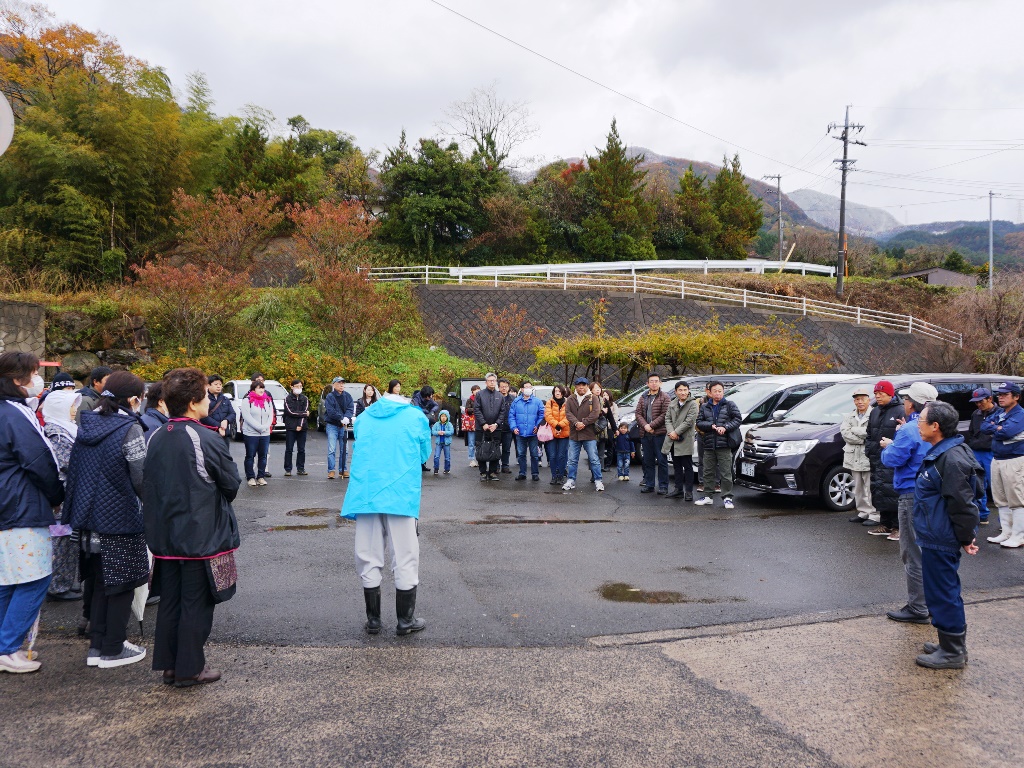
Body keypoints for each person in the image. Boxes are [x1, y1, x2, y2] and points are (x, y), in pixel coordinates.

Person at [144, 367, 241, 687]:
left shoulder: (155, 435)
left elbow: (143, 483)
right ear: (192, 403)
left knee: (171, 602)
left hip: (165, 538)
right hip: (201, 538)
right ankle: (190, 668)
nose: (208, 401)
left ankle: (170, 665)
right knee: (197, 604)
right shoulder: (205, 438)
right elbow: (230, 483)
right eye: (204, 396)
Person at [63, 370, 149, 669]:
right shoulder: (129, 428)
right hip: (120, 519)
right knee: (123, 584)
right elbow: (142, 479)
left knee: (99, 583)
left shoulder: (85, 425)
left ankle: (97, 646)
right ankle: (113, 648)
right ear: (134, 399)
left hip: (87, 519)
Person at [341, 392, 431, 636]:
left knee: (368, 553)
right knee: (405, 554)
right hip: (401, 495)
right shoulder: (415, 416)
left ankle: (373, 621)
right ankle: (405, 621)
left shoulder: (364, 417)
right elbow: (424, 454)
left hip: (367, 494)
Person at [0, 351, 65, 674]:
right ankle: (8, 647)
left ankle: (4, 644)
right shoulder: (14, 413)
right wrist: (56, 494)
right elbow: (39, 459)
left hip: (6, 507)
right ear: (16, 380)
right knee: (33, 578)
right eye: (32, 374)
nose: (37, 381)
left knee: (7, 580)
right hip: (22, 507)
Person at [913, 401, 982, 670]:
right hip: (935, 534)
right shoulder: (943, 452)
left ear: (935, 426)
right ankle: (948, 642)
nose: (918, 424)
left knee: (943, 593)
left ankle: (953, 651)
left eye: (921, 420)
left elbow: (964, 503)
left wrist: (966, 537)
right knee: (939, 591)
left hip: (941, 537)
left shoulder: (951, 458)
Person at [880, 382, 938, 624]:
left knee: (912, 551)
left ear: (912, 403)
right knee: (933, 550)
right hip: (935, 492)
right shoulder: (939, 427)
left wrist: (889, 445)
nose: (903, 403)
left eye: (906, 399)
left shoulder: (910, 429)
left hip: (911, 493)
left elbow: (892, 459)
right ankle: (934, 603)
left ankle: (917, 607)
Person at [42, 389, 82, 601]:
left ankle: (63, 582)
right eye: (70, 406)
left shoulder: (65, 429)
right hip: (62, 496)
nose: (74, 410)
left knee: (66, 540)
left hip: (66, 494)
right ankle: (58, 586)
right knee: (61, 541)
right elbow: (65, 463)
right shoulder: (57, 433)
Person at [983, 382, 1024, 548]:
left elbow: (1007, 432)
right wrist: (997, 427)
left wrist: (997, 428)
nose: (1001, 397)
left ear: (1016, 396)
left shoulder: (1020, 414)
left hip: (1014, 459)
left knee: (1016, 498)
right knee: (1000, 498)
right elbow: (984, 426)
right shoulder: (1000, 412)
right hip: (998, 458)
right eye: (999, 394)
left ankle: (1019, 535)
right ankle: (1006, 532)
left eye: (1005, 394)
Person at [864, 380, 904, 536]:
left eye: (881, 394)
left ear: (890, 394)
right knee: (879, 490)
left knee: (893, 492)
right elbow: (869, 434)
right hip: (876, 458)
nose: (878, 397)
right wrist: (870, 450)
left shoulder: (900, 411)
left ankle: (898, 527)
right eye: (876, 394)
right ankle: (885, 524)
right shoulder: (874, 411)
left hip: (892, 459)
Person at [694, 381, 742, 509]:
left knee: (726, 472)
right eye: (715, 391)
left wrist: (725, 427)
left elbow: (737, 419)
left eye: (720, 390)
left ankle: (727, 497)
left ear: (723, 391)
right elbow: (699, 422)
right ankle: (708, 496)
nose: (717, 393)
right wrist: (710, 426)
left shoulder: (730, 405)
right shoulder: (704, 406)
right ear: (709, 392)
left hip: (724, 443)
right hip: (709, 443)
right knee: (708, 471)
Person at [841, 386, 877, 524]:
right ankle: (863, 512)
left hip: (867, 456)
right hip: (853, 456)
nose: (859, 402)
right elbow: (845, 434)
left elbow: (872, 433)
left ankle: (875, 514)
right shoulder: (849, 415)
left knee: (870, 487)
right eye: (857, 399)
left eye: (862, 399)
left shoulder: (874, 414)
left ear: (868, 400)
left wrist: (855, 430)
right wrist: (862, 436)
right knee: (858, 487)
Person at [561, 377, 604, 492]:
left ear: (587, 386)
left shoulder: (593, 398)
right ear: (575, 386)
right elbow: (568, 413)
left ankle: (598, 480)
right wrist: (576, 423)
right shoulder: (570, 398)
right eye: (579, 385)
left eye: (583, 385)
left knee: (594, 459)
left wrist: (583, 423)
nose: (581, 387)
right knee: (572, 460)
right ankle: (571, 480)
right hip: (574, 434)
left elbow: (596, 413)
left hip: (589, 434)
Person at [635, 374, 671, 495]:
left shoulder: (665, 397)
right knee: (648, 460)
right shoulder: (643, 396)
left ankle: (663, 486)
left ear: (660, 383)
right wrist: (645, 426)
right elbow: (638, 414)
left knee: (661, 460)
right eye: (651, 381)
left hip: (659, 434)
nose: (654, 383)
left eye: (656, 381)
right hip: (645, 434)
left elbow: (665, 414)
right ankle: (649, 484)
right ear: (647, 383)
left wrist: (652, 426)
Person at [662, 381, 698, 500]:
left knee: (687, 466)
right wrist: (671, 432)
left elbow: (689, 421)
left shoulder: (693, 404)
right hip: (672, 439)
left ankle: (689, 491)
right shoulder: (672, 403)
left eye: (685, 390)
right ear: (676, 391)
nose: (683, 392)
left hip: (685, 439)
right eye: (680, 390)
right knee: (676, 465)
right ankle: (678, 489)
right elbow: (667, 419)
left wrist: (676, 432)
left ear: (688, 391)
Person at [965, 388, 996, 525]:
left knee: (997, 485)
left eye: (981, 401)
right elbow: (971, 431)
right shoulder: (975, 414)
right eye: (976, 402)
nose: (978, 404)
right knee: (978, 483)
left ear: (990, 399)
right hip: (977, 452)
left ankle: (1007, 523)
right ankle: (982, 514)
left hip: (993, 453)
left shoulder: (1000, 413)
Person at [508, 381, 545, 482]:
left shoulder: (537, 401)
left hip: (533, 433)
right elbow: (511, 416)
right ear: (522, 389)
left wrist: (537, 425)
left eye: (530, 387)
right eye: (526, 387)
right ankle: (522, 473)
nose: (528, 389)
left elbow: (542, 414)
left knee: (534, 454)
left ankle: (535, 473)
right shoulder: (516, 401)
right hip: (520, 432)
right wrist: (514, 427)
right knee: (521, 454)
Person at [238, 380, 273, 487]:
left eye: (262, 388)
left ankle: (261, 476)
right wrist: (259, 427)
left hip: (265, 433)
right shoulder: (247, 400)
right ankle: (250, 477)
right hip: (251, 433)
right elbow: (247, 416)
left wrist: (265, 427)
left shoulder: (268, 400)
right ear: (253, 389)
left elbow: (271, 415)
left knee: (263, 456)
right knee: (250, 455)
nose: (261, 390)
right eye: (259, 388)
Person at [474, 373, 507, 482]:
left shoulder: (500, 396)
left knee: (495, 449)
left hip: (495, 428)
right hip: (481, 427)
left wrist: (496, 424)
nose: (492, 382)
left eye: (494, 380)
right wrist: (483, 423)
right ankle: (483, 472)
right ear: (486, 382)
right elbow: (477, 410)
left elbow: (502, 412)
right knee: (480, 448)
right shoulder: (480, 395)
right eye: (490, 380)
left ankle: (492, 472)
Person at [324, 376, 355, 479]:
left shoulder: (348, 396)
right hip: (332, 425)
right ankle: (331, 470)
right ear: (334, 385)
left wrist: (347, 417)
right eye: (339, 383)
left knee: (344, 449)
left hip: (343, 426)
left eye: (342, 383)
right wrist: (341, 418)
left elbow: (350, 408)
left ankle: (343, 469)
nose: (341, 385)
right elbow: (330, 411)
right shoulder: (330, 397)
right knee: (331, 449)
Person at [283, 379, 310, 477]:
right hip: (290, 427)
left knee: (301, 449)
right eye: (297, 386)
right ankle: (288, 469)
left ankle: (300, 468)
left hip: (302, 427)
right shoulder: (287, 399)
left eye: (300, 386)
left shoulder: (305, 399)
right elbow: (290, 412)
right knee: (289, 449)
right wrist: (303, 414)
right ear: (292, 387)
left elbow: (305, 414)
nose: (299, 388)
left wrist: (300, 425)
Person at [545, 384, 571, 485]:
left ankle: (560, 476)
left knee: (561, 456)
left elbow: (569, 416)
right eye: (556, 391)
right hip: (552, 433)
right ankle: (553, 476)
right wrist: (556, 426)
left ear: (563, 392)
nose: (557, 393)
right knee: (552, 456)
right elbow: (548, 416)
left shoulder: (569, 402)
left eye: (559, 391)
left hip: (564, 433)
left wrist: (560, 426)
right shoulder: (549, 402)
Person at [201, 375, 235, 442]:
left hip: (224, 433)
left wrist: (226, 421)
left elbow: (232, 413)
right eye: (216, 384)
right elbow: (203, 416)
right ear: (208, 385)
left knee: (224, 452)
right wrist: (219, 426)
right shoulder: (204, 399)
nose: (219, 386)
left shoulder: (225, 399)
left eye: (220, 384)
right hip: (209, 433)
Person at [593, 384, 618, 469]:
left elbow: (611, 417)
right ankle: (594, 473)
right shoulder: (589, 400)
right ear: (591, 390)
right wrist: (601, 412)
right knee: (592, 454)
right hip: (592, 431)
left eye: (599, 388)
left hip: (603, 431)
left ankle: (599, 474)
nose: (598, 390)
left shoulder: (604, 402)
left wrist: (615, 429)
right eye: (595, 388)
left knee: (601, 453)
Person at [497, 378, 516, 474]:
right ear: (499, 387)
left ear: (509, 387)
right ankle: (496, 465)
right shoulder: (495, 397)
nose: (504, 388)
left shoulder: (513, 399)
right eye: (502, 387)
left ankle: (505, 465)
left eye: (506, 386)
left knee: (506, 448)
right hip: (496, 427)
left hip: (508, 427)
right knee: (495, 447)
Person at [431, 409, 454, 475]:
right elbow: (433, 431)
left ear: (447, 417)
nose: (443, 418)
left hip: (446, 443)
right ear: (440, 417)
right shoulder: (437, 424)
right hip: (439, 443)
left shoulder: (449, 424)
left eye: (445, 416)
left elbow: (451, 432)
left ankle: (447, 469)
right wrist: (438, 432)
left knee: (447, 457)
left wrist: (444, 432)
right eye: (442, 416)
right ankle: (436, 468)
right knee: (436, 456)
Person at [463, 385, 479, 468]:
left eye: (478, 390)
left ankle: (479, 458)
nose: (476, 391)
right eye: (475, 390)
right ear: (472, 391)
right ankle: (472, 459)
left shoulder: (482, 399)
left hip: (480, 423)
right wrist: (476, 410)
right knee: (471, 442)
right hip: (471, 424)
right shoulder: (469, 400)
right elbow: (467, 410)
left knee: (479, 442)